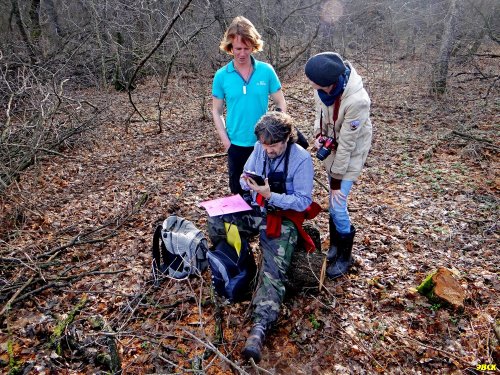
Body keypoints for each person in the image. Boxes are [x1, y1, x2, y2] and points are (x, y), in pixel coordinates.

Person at [207, 112, 320, 363]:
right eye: (264, 145)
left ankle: (260, 326)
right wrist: (247, 183)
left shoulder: (301, 159)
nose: (268, 150)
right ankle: (241, 263)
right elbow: (243, 176)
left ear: (286, 139)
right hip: (256, 209)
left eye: (273, 146)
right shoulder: (260, 148)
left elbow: (303, 201)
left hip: (283, 217)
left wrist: (272, 196)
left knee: (272, 269)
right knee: (218, 221)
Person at [304, 52, 372, 279]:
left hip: (350, 155)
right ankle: (334, 246)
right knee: (334, 204)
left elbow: (347, 147)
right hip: (334, 152)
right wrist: (318, 135)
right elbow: (319, 114)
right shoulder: (323, 89)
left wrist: (335, 181)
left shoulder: (357, 101)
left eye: (316, 84)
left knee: (338, 203)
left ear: (330, 82)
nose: (313, 87)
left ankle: (345, 255)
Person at [212, 16, 287, 196]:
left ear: (254, 46)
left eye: (247, 48)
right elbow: (216, 110)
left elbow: (281, 102)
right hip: (235, 145)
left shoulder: (266, 71)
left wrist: (277, 133)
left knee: (266, 192)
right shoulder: (221, 76)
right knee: (238, 193)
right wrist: (225, 141)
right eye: (238, 48)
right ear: (230, 48)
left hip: (263, 144)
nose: (242, 53)